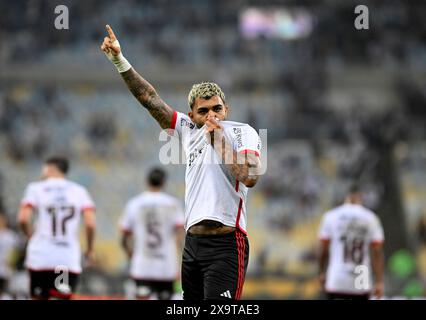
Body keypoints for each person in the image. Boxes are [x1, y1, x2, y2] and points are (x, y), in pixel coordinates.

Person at [101, 25, 262, 300]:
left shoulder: (241, 131)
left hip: (226, 241)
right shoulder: (189, 131)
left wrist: (218, 139)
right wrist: (119, 60)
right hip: (193, 243)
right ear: (192, 115)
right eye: (204, 111)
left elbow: (249, 176)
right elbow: (149, 99)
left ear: (227, 109)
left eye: (217, 108)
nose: (212, 115)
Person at [17, 156, 96, 300]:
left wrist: (30, 235)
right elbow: (90, 223)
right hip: (65, 258)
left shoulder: (36, 188)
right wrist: (90, 249)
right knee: (60, 297)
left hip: (40, 257)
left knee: (39, 297)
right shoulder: (79, 191)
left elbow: (23, 218)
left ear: (49, 168)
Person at [120, 167, 184, 300]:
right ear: (164, 182)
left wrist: (129, 253)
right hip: (166, 266)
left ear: (147, 181)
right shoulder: (172, 204)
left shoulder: (135, 203)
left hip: (142, 265)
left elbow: (125, 235)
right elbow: (180, 234)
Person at [318, 184, 385, 300]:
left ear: (346, 197)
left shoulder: (331, 216)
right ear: (361, 197)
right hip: (361, 275)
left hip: (337, 276)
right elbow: (377, 251)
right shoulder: (371, 217)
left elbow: (323, 249)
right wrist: (379, 281)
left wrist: (321, 272)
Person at [0, 213, 19, 300]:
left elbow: (15, 252)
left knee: (6, 291)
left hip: (5, 268)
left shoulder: (10, 236)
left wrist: (11, 263)